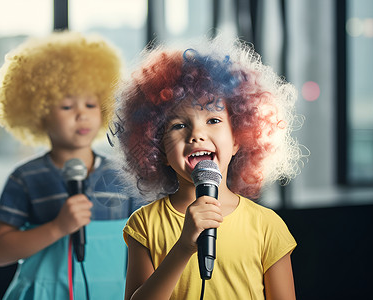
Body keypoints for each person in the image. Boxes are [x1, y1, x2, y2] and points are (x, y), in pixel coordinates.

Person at [111, 37, 304, 299]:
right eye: (179, 125)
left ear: (239, 138)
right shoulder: (145, 224)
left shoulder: (266, 226)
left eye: (213, 120)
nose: (197, 134)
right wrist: (182, 248)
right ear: (157, 149)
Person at [0, 31, 138, 300]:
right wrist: (57, 228)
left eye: (91, 104)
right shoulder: (25, 178)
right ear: (39, 112)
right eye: (67, 106)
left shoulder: (123, 176)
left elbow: (147, 244)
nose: (82, 114)